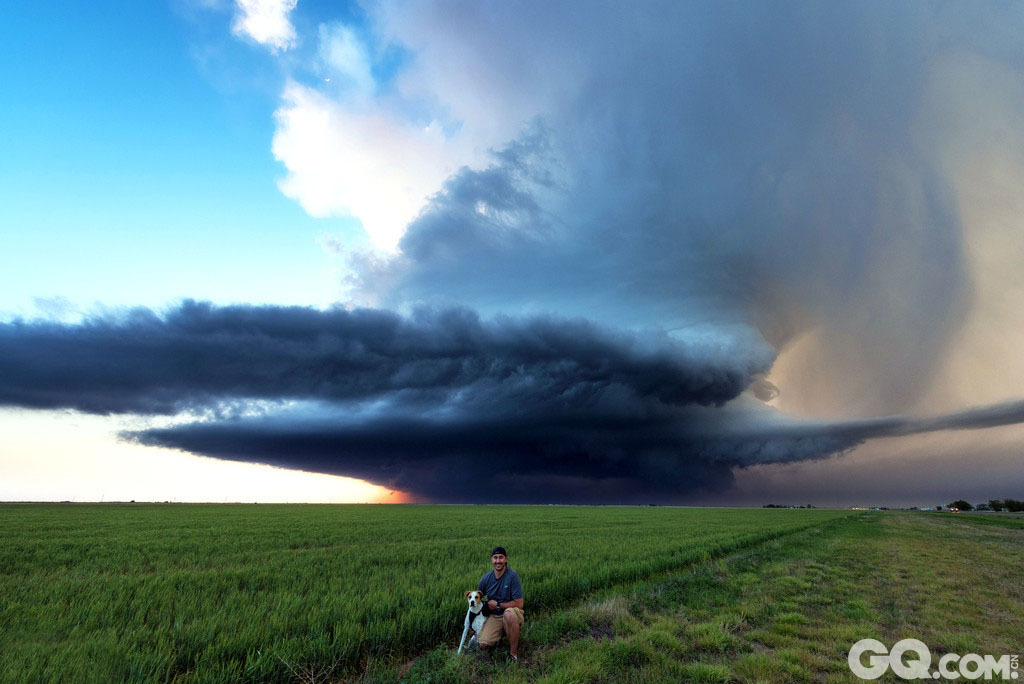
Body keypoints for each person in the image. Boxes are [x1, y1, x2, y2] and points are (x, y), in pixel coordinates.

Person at [475, 546, 524, 662]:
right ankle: (499, 635)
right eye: (495, 558)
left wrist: (498, 605)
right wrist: (471, 620)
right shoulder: (486, 578)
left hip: (512, 612)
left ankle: (513, 654)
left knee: (508, 615)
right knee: (483, 644)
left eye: (501, 557)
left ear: (506, 559)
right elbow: (476, 600)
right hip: (495, 616)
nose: (498, 561)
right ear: (491, 560)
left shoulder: (512, 576)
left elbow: (519, 604)